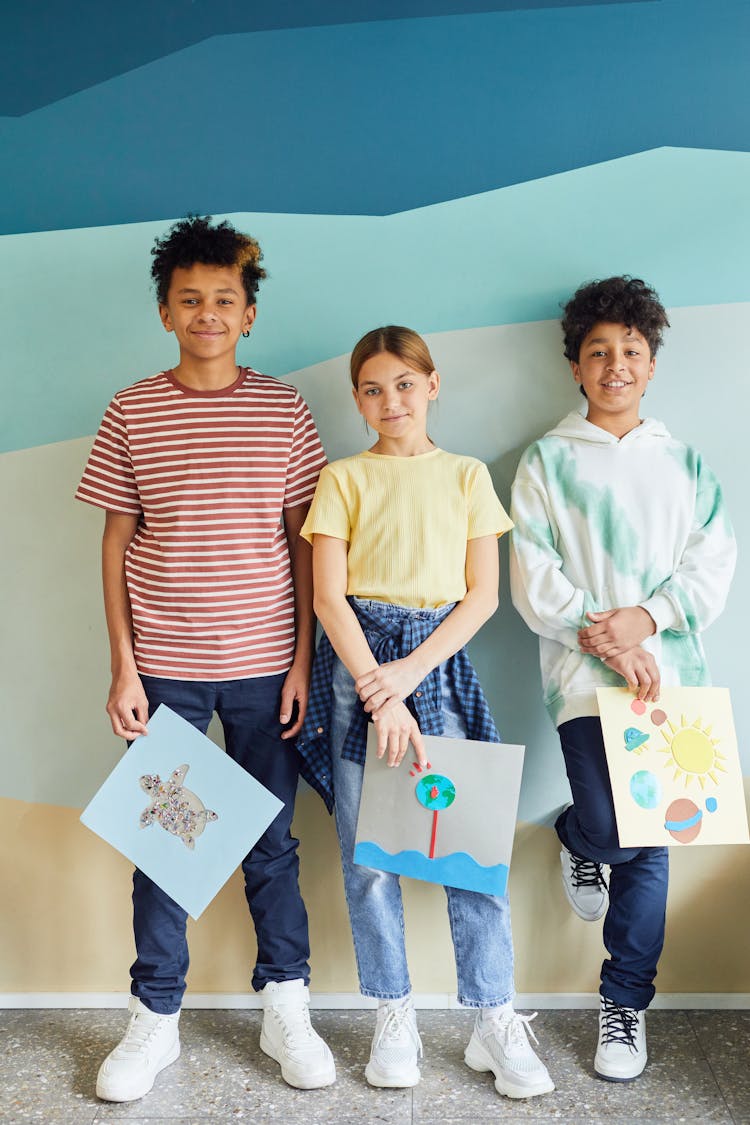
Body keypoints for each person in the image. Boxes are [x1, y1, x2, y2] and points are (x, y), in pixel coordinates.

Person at [76, 216, 335, 1101]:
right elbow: (114, 545)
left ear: (249, 313)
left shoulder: (283, 409)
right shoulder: (132, 409)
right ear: (164, 312)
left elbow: (306, 546)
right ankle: (155, 1018)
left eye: (225, 299)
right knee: (164, 848)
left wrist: (303, 661)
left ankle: (286, 1005)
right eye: (190, 299)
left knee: (271, 843)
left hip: (267, 667)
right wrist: (122, 666)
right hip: (165, 671)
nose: (207, 312)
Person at [295, 325, 555, 1099]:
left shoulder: (468, 475)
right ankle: (393, 1011)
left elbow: (482, 595)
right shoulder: (342, 478)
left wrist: (406, 677)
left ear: (432, 385)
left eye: (404, 384)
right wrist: (377, 687)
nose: (390, 401)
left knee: (467, 846)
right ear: (357, 399)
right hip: (355, 672)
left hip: (436, 662)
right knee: (370, 856)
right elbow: (327, 595)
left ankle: (492, 1016)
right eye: (373, 388)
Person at [509, 276, 736, 1081]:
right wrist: (606, 638)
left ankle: (625, 1003)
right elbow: (533, 577)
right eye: (598, 352)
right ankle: (577, 833)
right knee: (613, 824)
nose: (615, 365)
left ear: (651, 363)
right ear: (575, 365)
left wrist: (648, 620)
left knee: (649, 848)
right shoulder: (544, 460)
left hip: (669, 687)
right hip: (579, 678)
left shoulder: (685, 463)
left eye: (631, 351)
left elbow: (713, 565)